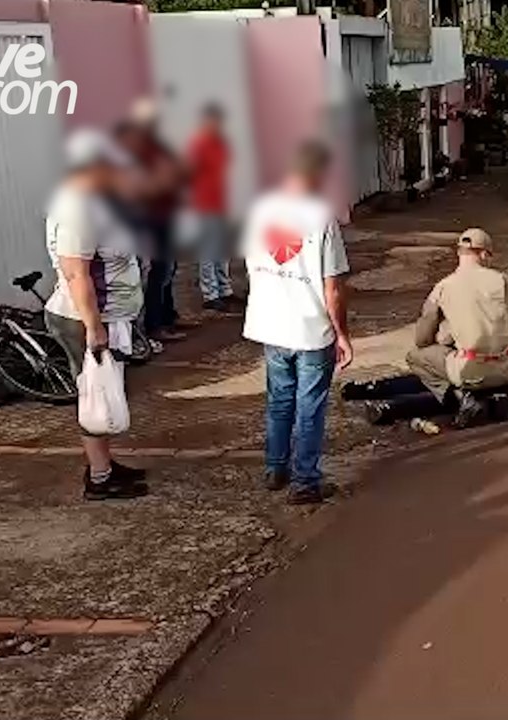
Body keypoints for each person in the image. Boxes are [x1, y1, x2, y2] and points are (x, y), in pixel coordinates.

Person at [241, 140, 352, 505]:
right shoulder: (321, 218)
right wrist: (342, 334)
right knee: (309, 406)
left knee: (279, 400)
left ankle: (276, 467)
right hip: (309, 328)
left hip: (270, 324)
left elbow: (251, 264)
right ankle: (305, 481)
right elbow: (332, 286)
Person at [44, 129, 148, 500]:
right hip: (87, 318)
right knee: (94, 395)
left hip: (107, 315)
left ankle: (104, 465)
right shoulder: (77, 210)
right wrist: (94, 327)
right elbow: (77, 273)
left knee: (103, 392)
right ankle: (100, 478)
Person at [406, 228, 508, 428]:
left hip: (470, 370)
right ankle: (495, 395)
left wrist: (446, 336)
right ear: (484, 254)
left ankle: (462, 400)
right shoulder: (502, 280)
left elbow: (422, 340)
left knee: (415, 357)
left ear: (459, 253)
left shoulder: (443, 287)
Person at [120, 99, 189, 342]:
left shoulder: (158, 147)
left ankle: (168, 316)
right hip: (150, 218)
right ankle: (154, 325)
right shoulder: (136, 150)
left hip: (165, 214)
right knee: (157, 272)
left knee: (168, 269)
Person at [187, 103, 239, 314]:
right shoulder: (198, 144)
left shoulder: (221, 143)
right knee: (208, 251)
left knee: (223, 250)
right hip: (204, 203)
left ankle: (224, 289)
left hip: (221, 201)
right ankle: (211, 293)